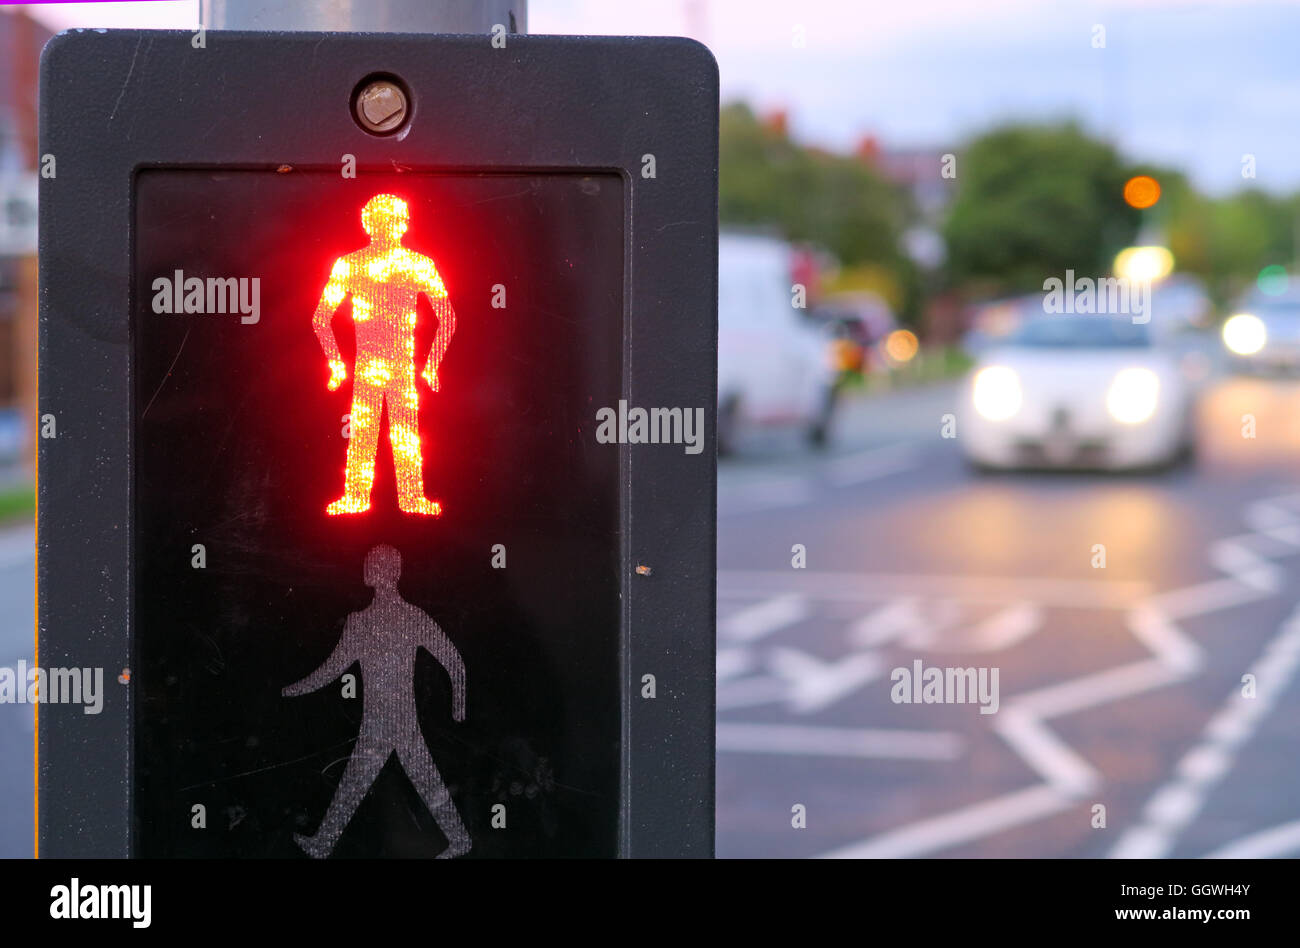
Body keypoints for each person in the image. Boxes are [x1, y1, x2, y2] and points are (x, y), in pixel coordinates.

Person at [283, 544, 471, 858]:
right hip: (377, 724)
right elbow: (333, 668)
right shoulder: (361, 622)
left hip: (398, 723)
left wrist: (459, 706)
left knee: (395, 784)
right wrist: (297, 689)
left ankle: (324, 844)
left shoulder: (411, 617)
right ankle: (323, 844)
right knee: (358, 785)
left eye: (375, 563)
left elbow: (453, 661)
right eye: (369, 562)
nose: (369, 568)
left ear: (392, 571)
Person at [311, 193, 456, 516]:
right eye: (379, 221)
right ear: (367, 224)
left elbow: (447, 315)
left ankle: (405, 498)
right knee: (371, 429)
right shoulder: (351, 264)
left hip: (399, 364)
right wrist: (335, 363)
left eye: (390, 221)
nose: (384, 228)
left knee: (400, 433)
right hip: (373, 364)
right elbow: (320, 318)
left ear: (403, 225)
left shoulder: (417, 265)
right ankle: (364, 498)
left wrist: (432, 364)